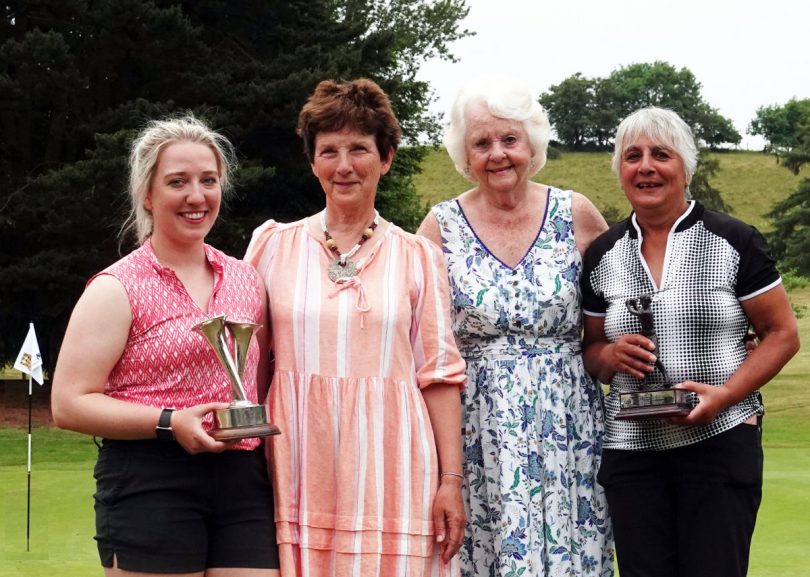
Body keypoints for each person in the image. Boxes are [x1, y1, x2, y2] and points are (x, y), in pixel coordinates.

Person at [244, 78, 468, 577]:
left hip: (395, 463)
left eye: (359, 149)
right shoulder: (273, 245)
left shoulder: (419, 256)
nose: (343, 165)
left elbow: (439, 376)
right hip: (296, 459)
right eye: (329, 151)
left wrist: (450, 481)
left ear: (385, 158)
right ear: (313, 161)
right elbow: (248, 366)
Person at [51, 115, 280, 577]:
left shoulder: (247, 279)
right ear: (147, 194)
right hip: (149, 478)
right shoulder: (116, 288)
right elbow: (68, 404)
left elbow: (258, 382)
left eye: (208, 180)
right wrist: (169, 422)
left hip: (242, 479)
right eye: (178, 182)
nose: (196, 196)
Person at [581, 107, 800, 577]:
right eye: (632, 156)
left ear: (686, 167)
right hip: (631, 449)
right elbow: (592, 353)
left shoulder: (734, 239)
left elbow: (782, 334)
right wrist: (610, 354)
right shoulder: (602, 253)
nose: (646, 166)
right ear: (620, 170)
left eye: (661, 155)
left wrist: (726, 394)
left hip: (720, 439)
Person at [417, 76, 613, 577]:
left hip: (569, 424)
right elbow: (417, 333)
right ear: (465, 154)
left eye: (509, 139)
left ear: (532, 145)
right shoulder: (440, 226)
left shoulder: (575, 213)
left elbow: (623, 305)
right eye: (481, 143)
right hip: (475, 426)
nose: (497, 154)